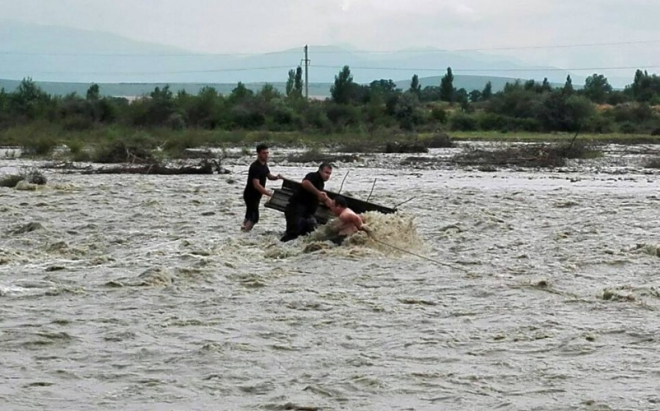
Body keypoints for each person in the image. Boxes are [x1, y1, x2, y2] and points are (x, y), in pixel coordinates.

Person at [280, 163, 332, 242]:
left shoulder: (320, 183)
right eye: (326, 172)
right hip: (296, 210)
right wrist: (318, 193)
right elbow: (305, 183)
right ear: (320, 171)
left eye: (329, 173)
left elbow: (320, 196)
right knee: (293, 234)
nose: (328, 175)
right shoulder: (313, 176)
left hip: (306, 214)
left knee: (305, 233)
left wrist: (326, 201)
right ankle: (278, 247)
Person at [242, 144, 284, 232]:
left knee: (249, 214)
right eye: (264, 153)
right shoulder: (255, 167)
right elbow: (256, 185)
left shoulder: (264, 164)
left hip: (256, 195)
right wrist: (268, 193)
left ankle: (243, 230)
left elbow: (268, 176)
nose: (266, 155)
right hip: (250, 195)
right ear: (258, 154)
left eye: (267, 153)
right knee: (254, 218)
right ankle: (245, 233)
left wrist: (277, 177)